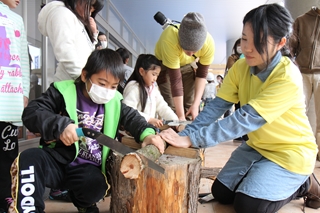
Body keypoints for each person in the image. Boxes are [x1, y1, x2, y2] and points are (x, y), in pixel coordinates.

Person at [160, 4, 320, 213]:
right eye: (245, 39)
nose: (247, 48)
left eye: (259, 42)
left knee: (248, 206)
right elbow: (215, 107)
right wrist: (185, 135)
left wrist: (192, 140)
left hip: (289, 152)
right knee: (221, 193)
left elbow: (244, 119)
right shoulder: (240, 67)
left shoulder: (287, 76)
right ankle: (263, 174)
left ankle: (305, 183)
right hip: (258, 147)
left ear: (281, 43)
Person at [9, 49, 165, 213]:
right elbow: (32, 112)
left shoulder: (115, 102)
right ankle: (28, 209)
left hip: (87, 169)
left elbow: (133, 119)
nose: (107, 90)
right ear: (85, 75)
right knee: (29, 158)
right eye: (102, 83)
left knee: (96, 185)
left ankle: (84, 203)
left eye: (113, 86)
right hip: (57, 160)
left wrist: (147, 135)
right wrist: (61, 125)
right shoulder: (63, 91)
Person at [155, 12, 215, 121]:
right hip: (166, 65)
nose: (191, 54)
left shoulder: (209, 44)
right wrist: (180, 118)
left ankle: (189, 134)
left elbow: (201, 75)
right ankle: (173, 131)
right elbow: (175, 80)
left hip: (187, 65)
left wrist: (196, 105)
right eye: (187, 49)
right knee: (172, 108)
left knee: (190, 105)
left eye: (195, 51)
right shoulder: (169, 38)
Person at [0, 1, 30, 212]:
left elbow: (23, 61)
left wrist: (25, 92)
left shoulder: (17, 19)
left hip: (9, 99)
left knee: (8, 154)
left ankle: (6, 198)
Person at [38, 0, 104, 81]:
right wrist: (83, 81)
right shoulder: (63, 13)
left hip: (76, 84)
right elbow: (65, 51)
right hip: (69, 86)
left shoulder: (76, 19)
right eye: (89, 8)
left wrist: (94, 34)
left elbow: (88, 54)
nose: (89, 14)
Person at [290, 6, 320, 161]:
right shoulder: (302, 20)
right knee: (298, 112)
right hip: (302, 73)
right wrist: (292, 62)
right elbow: (291, 45)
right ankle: (299, 152)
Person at [123, 54, 178, 128]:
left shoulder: (153, 89)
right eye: (153, 74)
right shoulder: (134, 87)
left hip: (146, 130)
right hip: (132, 132)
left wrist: (175, 121)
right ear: (142, 71)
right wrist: (149, 119)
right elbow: (128, 110)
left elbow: (163, 107)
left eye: (157, 75)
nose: (155, 78)